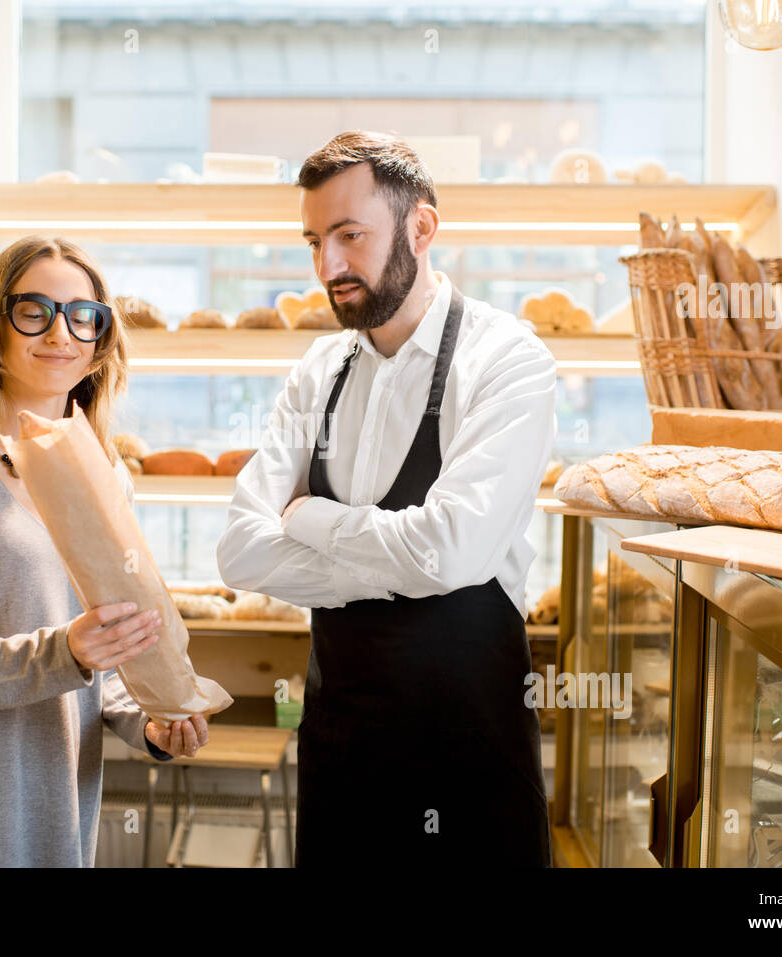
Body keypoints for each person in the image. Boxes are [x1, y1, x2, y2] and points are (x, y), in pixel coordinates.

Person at [217, 131, 557, 867]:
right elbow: (241, 549)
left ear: (421, 227)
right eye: (314, 241)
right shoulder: (319, 370)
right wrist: (402, 567)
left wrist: (307, 517)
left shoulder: (506, 359)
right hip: (343, 749)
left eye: (350, 236)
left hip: (470, 752)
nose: (327, 267)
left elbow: (449, 549)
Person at [0, 235, 209, 867]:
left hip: (58, 805)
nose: (61, 333)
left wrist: (152, 723)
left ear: (101, 340)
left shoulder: (107, 476)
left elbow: (98, 666)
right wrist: (64, 651)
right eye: (35, 310)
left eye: (83, 316)